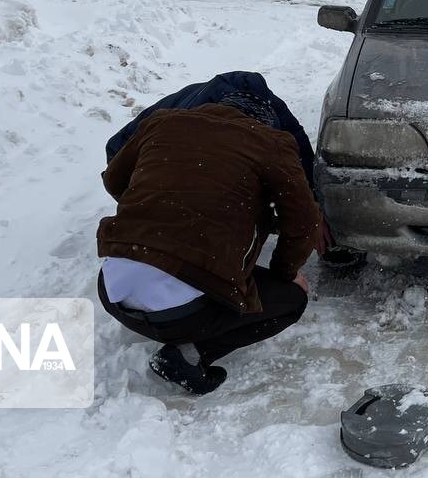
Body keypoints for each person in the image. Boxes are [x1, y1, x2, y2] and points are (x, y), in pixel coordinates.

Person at [96, 76, 326, 394]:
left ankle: (167, 309)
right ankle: (189, 356)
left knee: (179, 271)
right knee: (292, 298)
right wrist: (284, 274)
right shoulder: (272, 143)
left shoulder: (164, 122)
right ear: (264, 123)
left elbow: (114, 180)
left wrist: (155, 210)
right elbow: (304, 223)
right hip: (183, 315)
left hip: (113, 296)